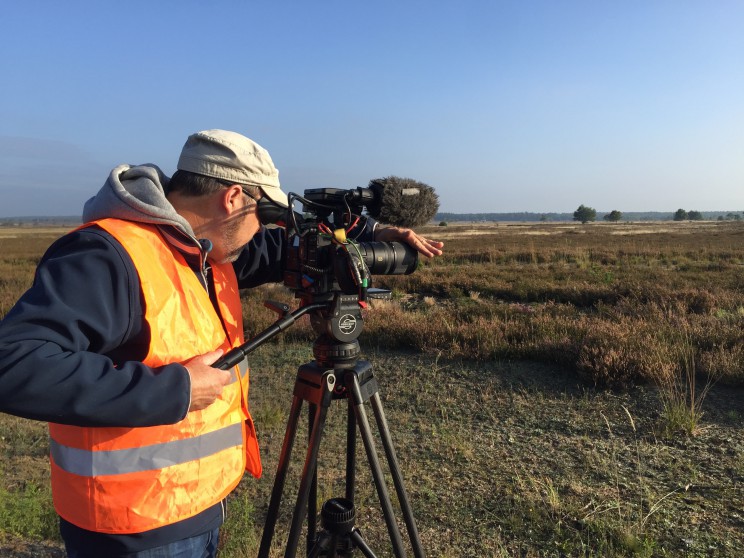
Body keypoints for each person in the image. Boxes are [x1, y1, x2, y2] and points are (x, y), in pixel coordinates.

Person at [0, 129, 443, 558]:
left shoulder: (204, 250)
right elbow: (13, 362)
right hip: (134, 530)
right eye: (262, 217)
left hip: (196, 507)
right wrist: (178, 390)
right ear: (232, 199)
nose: (262, 230)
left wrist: (371, 237)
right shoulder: (108, 256)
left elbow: (287, 250)